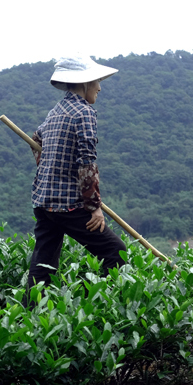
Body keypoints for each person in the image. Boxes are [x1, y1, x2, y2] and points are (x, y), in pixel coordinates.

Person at [25, 55, 127, 300]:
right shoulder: (84, 113)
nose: (100, 88)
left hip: (43, 201)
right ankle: (86, 304)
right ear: (84, 83)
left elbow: (35, 139)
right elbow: (87, 163)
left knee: (43, 266)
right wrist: (94, 208)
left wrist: (49, 166)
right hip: (69, 205)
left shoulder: (55, 112)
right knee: (116, 252)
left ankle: (28, 317)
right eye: (97, 82)